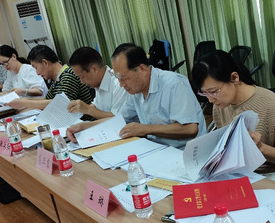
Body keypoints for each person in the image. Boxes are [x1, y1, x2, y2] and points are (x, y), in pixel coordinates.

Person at [192, 50, 275, 187]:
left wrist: (260, 147)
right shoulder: (220, 105)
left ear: (234, 78)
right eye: (204, 93)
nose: (210, 99)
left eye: (213, 91)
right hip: (241, 173)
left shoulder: (271, 103)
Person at [68, 43, 206, 148]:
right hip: (155, 149)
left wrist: (145, 129)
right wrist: (85, 126)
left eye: (124, 78)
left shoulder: (173, 84)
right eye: (118, 78)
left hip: (185, 151)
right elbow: (119, 119)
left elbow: (190, 128)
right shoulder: (135, 91)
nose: (121, 84)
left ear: (142, 69)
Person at [7, 44, 94, 111]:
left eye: (36, 68)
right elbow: (47, 100)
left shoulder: (69, 75)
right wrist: (23, 101)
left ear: (45, 62)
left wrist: (24, 103)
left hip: (84, 123)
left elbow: (59, 104)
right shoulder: (56, 79)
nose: (37, 73)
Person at [66, 46, 126, 119]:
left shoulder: (119, 83)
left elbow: (118, 118)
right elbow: (96, 106)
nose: (82, 81)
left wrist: (88, 109)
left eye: (82, 77)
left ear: (94, 69)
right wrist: (78, 108)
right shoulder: (99, 82)